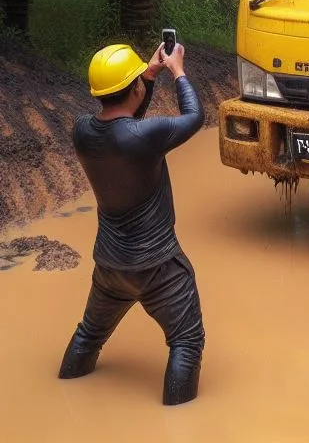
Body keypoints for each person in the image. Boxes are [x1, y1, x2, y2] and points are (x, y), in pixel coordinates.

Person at [58, 41, 206, 405]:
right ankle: (178, 422)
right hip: (158, 266)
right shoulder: (145, 137)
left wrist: (148, 76)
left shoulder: (82, 132)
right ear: (136, 89)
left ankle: (65, 388)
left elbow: (125, 126)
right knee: (186, 342)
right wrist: (177, 71)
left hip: (109, 265)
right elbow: (195, 117)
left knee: (89, 333)